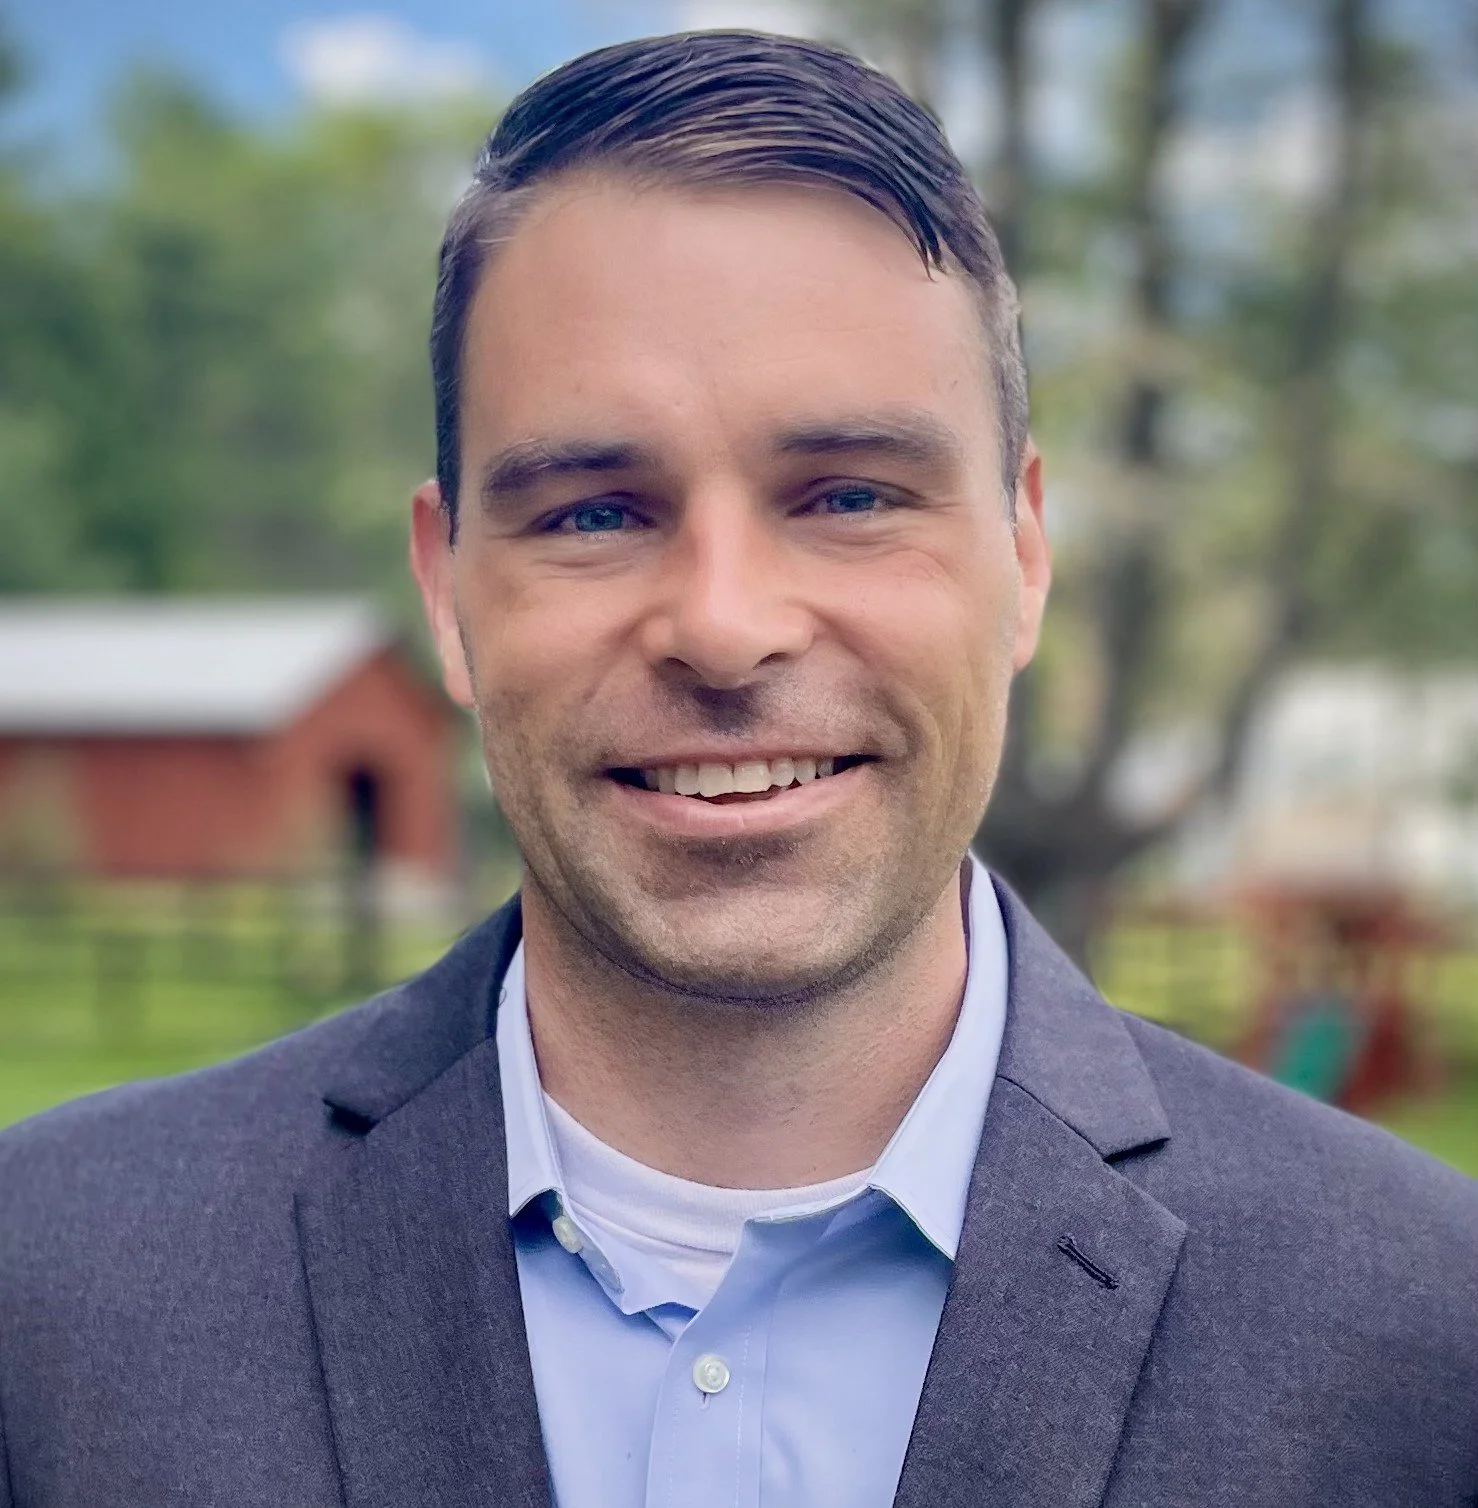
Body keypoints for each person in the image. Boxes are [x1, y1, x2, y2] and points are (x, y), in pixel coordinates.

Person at [1, 30, 1474, 1508]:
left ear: (1023, 558)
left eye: (845, 495)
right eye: (592, 512)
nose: (722, 625)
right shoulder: (48, 1299)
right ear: (447, 594)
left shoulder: (1423, 1340)